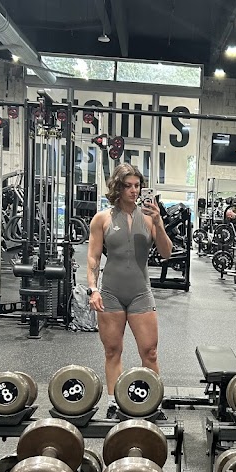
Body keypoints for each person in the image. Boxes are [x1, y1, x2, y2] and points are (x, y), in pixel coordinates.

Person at [87, 163, 173, 418]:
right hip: (110, 292)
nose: (134, 191)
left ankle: (153, 403)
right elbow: (93, 258)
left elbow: (166, 253)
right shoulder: (102, 219)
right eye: (128, 186)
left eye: (137, 186)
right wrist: (93, 289)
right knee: (112, 351)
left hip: (140, 293)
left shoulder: (148, 217)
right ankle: (114, 403)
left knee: (150, 352)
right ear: (118, 187)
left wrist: (158, 222)